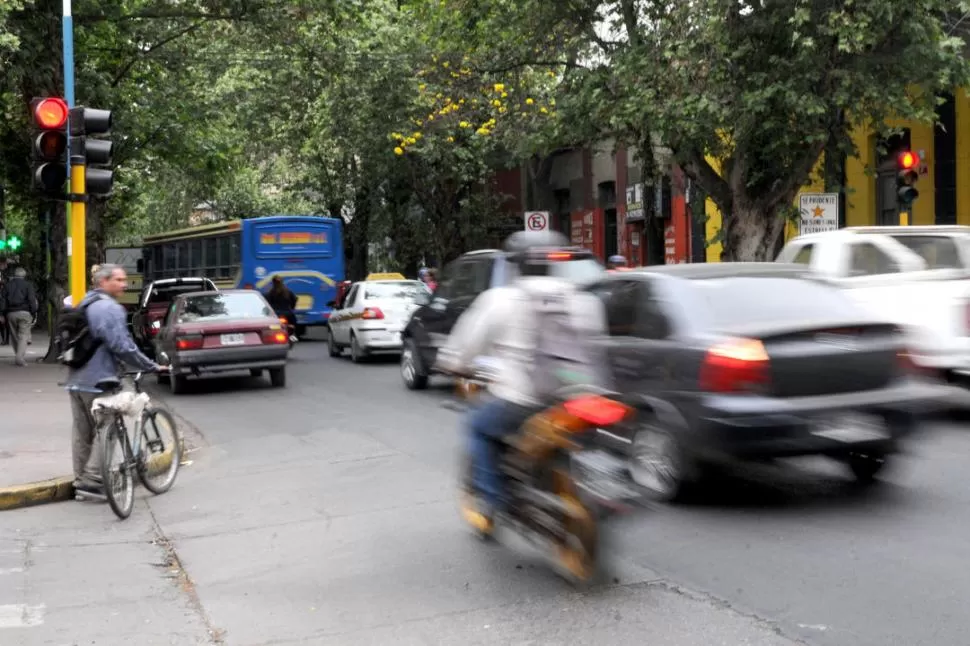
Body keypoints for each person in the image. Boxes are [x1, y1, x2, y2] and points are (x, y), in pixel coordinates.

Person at [436, 230, 610, 532]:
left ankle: (496, 500)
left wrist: (452, 365)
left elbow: (464, 348)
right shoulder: (583, 300)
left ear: (514, 264)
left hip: (523, 401)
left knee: (477, 427)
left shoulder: (500, 300)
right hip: (582, 399)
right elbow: (597, 344)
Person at [65, 264, 168, 498]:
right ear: (103, 282)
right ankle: (92, 480)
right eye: (119, 280)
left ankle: (81, 482)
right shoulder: (110, 309)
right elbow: (122, 346)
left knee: (82, 434)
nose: (124, 284)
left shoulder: (83, 303)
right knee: (107, 428)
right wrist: (151, 365)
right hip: (100, 379)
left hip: (75, 379)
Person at [0, 267, 38, 366]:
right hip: (25, 313)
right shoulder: (28, 285)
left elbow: (3, 301)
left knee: (14, 336)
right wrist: (34, 312)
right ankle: (19, 357)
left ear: (15, 275)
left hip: (10, 314)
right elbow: (31, 299)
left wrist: (1, 314)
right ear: (24, 276)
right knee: (23, 335)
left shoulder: (7, 286)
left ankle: (18, 354)